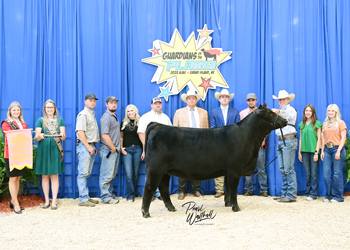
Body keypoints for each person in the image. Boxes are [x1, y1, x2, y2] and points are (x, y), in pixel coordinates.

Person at [173, 89, 209, 200]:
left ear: (196, 100)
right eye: (189, 98)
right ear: (186, 100)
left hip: (199, 144)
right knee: (182, 167)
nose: (191, 100)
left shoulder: (204, 112)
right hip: (183, 144)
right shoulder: (179, 112)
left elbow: (207, 130)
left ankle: (196, 190)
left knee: (197, 167)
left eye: (193, 98)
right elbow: (175, 130)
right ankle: (181, 190)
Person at [34, 99, 66, 210]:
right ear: (45, 109)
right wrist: (40, 136)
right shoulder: (40, 120)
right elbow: (36, 137)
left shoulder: (60, 120)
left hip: (55, 149)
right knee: (45, 176)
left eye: (51, 107)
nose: (49, 109)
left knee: (54, 176)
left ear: (54, 109)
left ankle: (54, 201)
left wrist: (62, 135)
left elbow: (64, 136)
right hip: (44, 150)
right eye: (47, 107)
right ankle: (47, 200)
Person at [137, 97, 172, 200]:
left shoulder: (165, 118)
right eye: (155, 104)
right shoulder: (146, 117)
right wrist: (146, 146)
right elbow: (141, 132)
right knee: (150, 170)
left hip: (164, 150)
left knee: (163, 171)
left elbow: (170, 133)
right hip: (152, 148)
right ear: (151, 105)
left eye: (159, 103)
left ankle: (160, 193)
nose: (158, 105)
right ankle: (150, 193)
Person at [210, 89, 240, 198]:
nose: (224, 98)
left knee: (232, 166)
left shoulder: (235, 111)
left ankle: (231, 190)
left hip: (232, 143)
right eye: (222, 97)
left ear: (229, 99)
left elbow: (237, 127)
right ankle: (219, 189)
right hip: (218, 142)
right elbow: (212, 128)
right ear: (219, 99)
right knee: (218, 165)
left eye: (226, 97)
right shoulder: (214, 112)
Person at [1, 101, 28, 214]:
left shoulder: (24, 123)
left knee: (18, 178)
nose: (16, 112)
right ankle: (16, 203)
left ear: (20, 111)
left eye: (18, 110)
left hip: (21, 153)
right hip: (11, 154)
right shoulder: (6, 123)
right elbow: (11, 136)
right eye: (14, 110)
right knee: (12, 178)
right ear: (10, 112)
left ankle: (13, 200)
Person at [240, 93, 269, 197]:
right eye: (249, 100)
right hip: (247, 145)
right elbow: (241, 129)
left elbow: (266, 128)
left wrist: (263, 139)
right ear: (247, 101)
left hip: (259, 144)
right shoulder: (242, 113)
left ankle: (263, 190)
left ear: (256, 101)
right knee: (247, 168)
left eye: (253, 100)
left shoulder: (262, 112)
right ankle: (248, 189)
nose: (251, 102)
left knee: (261, 167)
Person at [272, 90, 298, 203]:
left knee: (288, 169)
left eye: (283, 99)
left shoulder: (290, 110)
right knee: (283, 169)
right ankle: (285, 193)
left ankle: (291, 195)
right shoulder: (280, 110)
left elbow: (286, 115)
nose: (282, 101)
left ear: (288, 100)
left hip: (289, 140)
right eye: (280, 99)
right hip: (281, 141)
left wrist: (277, 111)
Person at [76, 93, 100, 207]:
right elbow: (80, 132)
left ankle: (86, 196)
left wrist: (93, 146)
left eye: (94, 101)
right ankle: (83, 199)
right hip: (84, 146)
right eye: (90, 100)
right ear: (85, 102)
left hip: (89, 146)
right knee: (83, 173)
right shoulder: (83, 114)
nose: (93, 102)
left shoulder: (91, 114)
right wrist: (88, 146)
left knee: (86, 173)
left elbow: (89, 133)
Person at [320, 104, 347, 203]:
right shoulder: (325, 123)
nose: (330, 112)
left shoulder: (341, 123)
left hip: (337, 149)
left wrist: (339, 151)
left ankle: (338, 196)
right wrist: (322, 150)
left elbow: (343, 137)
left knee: (337, 173)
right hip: (327, 149)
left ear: (336, 112)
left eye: (332, 111)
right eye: (329, 110)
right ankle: (329, 195)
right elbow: (323, 138)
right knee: (326, 174)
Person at [99, 96, 121, 204]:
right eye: (111, 103)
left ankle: (110, 194)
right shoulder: (106, 117)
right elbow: (104, 134)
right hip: (108, 151)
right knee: (106, 174)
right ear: (106, 104)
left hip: (114, 150)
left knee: (111, 174)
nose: (114, 105)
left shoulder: (114, 116)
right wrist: (112, 148)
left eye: (115, 103)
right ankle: (105, 197)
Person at [298, 105, 322, 201]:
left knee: (314, 174)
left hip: (313, 152)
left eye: (310, 111)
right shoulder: (301, 124)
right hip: (304, 151)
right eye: (306, 110)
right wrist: (299, 152)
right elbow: (300, 140)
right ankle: (307, 192)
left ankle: (313, 193)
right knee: (308, 174)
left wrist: (316, 152)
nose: (308, 112)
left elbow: (319, 139)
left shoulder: (317, 124)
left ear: (313, 112)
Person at [121, 105, 143, 202]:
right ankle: (130, 195)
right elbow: (121, 137)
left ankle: (133, 193)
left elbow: (143, 138)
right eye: (128, 111)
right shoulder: (124, 123)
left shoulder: (141, 122)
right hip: (127, 150)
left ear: (135, 111)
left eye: (131, 111)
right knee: (129, 173)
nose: (130, 112)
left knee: (135, 173)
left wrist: (144, 151)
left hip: (138, 149)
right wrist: (121, 148)